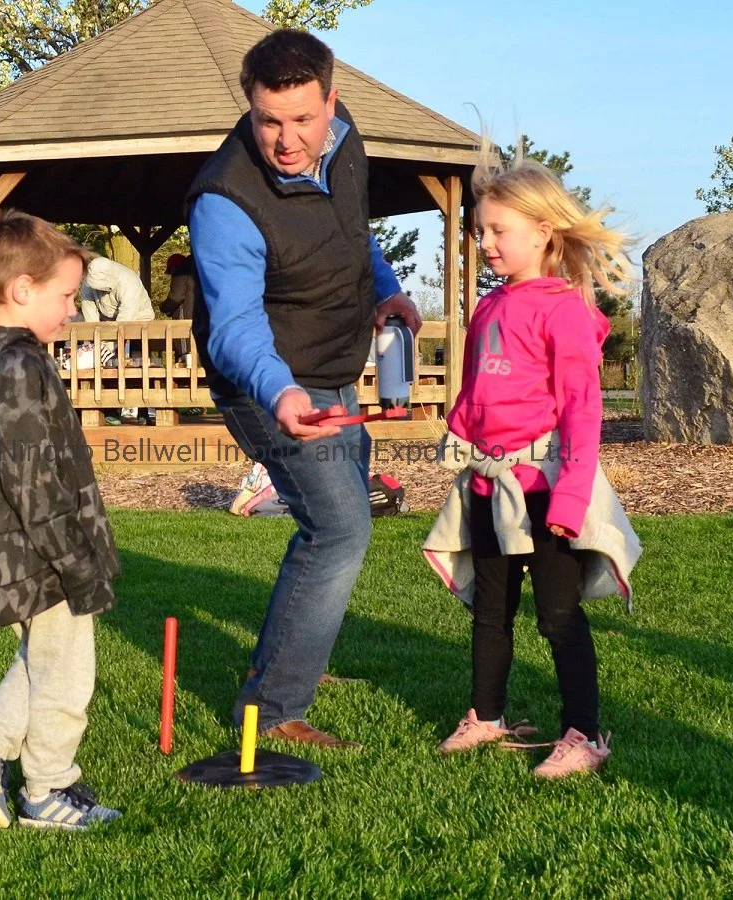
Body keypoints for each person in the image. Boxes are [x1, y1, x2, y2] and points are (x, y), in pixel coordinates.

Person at [187, 30, 422, 749]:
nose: (286, 140)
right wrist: (282, 395)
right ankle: (274, 708)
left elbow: (354, 234)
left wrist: (388, 291)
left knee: (341, 519)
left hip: (333, 369)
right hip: (265, 382)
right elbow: (234, 326)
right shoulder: (225, 200)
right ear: (249, 109)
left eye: (301, 119)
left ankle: (298, 658)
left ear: (332, 102)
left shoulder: (347, 145)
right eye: (268, 121)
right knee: (340, 527)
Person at [422, 148, 642, 777]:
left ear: (544, 232)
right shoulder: (490, 308)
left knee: (557, 614)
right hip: (491, 489)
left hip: (546, 491)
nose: (484, 242)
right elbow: (475, 393)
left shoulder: (566, 311)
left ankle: (585, 734)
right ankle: (486, 715)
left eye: (498, 231)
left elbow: (581, 410)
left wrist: (571, 499)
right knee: (490, 611)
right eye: (480, 230)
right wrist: (459, 435)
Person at [0, 211, 122, 829]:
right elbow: (34, 483)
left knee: (43, 657)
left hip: (16, 547)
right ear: (22, 289)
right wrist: (77, 558)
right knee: (67, 674)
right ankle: (46, 789)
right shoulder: (19, 369)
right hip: (39, 549)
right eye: (65, 296)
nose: (70, 309)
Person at [80, 255, 155, 424]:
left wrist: (112, 343)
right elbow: (90, 316)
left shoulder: (129, 281)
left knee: (138, 363)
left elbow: (126, 318)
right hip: (107, 322)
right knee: (107, 363)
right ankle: (110, 409)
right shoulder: (87, 285)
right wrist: (97, 342)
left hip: (139, 320)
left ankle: (143, 409)